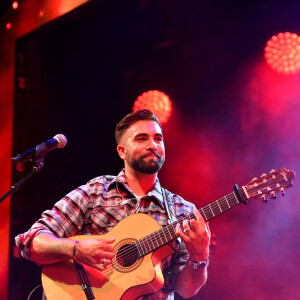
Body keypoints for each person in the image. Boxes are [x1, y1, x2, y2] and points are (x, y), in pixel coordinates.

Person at [15, 109, 211, 299]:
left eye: (158, 139)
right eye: (141, 138)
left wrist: (200, 256)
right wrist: (76, 249)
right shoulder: (96, 192)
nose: (153, 145)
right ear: (122, 152)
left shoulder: (182, 211)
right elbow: (31, 240)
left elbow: (186, 289)